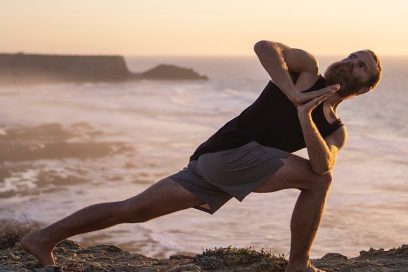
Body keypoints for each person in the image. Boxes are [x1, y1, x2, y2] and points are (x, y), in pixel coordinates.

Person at [21, 41, 382, 272]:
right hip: (227, 154)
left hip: (222, 165)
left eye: (361, 65)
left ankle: (43, 238)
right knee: (320, 182)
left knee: (133, 210)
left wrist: (306, 117)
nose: (351, 62)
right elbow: (264, 47)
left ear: (364, 89)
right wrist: (292, 94)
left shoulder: (335, 130)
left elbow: (323, 162)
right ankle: (298, 265)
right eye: (353, 55)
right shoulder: (306, 71)